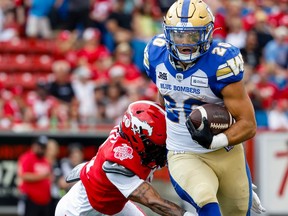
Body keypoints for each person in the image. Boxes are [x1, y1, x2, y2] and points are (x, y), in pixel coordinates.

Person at [143, 0, 266, 215]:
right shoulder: (155, 53)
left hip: (225, 151)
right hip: (184, 151)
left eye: (192, 35)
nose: (184, 43)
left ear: (208, 33)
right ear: (167, 32)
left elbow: (248, 124)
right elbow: (165, 96)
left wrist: (215, 140)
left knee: (237, 210)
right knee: (205, 197)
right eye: (178, 35)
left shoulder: (220, 62)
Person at [55, 100, 195, 216]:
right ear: (138, 137)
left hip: (111, 202)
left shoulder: (133, 140)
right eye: (155, 146)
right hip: (78, 211)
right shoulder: (118, 163)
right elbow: (152, 201)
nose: (160, 151)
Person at [17, 135, 52, 216]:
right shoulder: (27, 157)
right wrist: (43, 176)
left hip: (45, 202)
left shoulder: (45, 160)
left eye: (43, 147)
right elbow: (24, 176)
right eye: (40, 146)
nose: (41, 149)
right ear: (34, 145)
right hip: (31, 200)